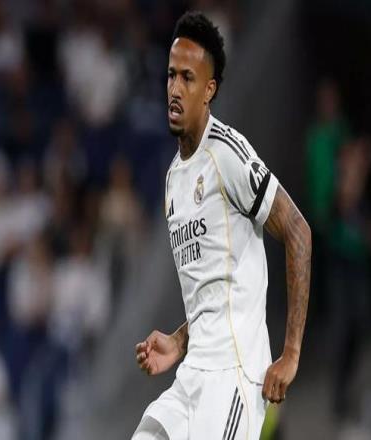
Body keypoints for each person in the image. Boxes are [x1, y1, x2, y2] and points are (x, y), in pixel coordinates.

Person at [133, 11, 311, 440]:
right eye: (171, 75)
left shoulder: (227, 153)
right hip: (192, 375)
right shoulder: (174, 179)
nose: (175, 89)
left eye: (188, 78)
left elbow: (298, 232)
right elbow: (218, 291)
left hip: (234, 377)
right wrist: (179, 341)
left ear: (209, 89)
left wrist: (290, 353)